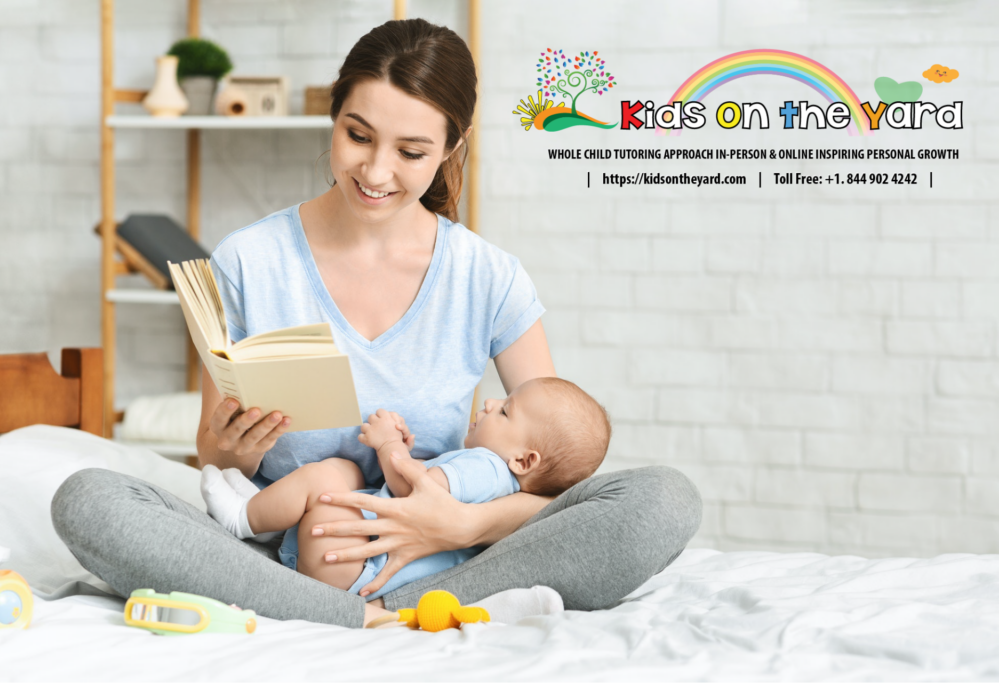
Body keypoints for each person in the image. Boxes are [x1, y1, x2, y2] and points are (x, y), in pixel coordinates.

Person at [51, 18, 702, 629]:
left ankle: (402, 602)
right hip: (287, 555)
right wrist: (233, 448)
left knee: (663, 500)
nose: (375, 171)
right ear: (333, 118)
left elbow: (550, 485)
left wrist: (457, 526)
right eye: (358, 135)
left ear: (451, 146)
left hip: (447, 557)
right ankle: (347, 613)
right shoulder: (249, 261)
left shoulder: (487, 276)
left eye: (412, 151)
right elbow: (213, 455)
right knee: (88, 500)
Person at [200, 377, 611, 602]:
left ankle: (243, 520)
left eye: (504, 411)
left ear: (523, 461)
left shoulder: (485, 467)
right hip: (350, 565)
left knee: (328, 479)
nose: (488, 404)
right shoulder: (495, 481)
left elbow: (412, 490)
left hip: (353, 562)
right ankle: (268, 516)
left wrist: (388, 444)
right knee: (344, 473)